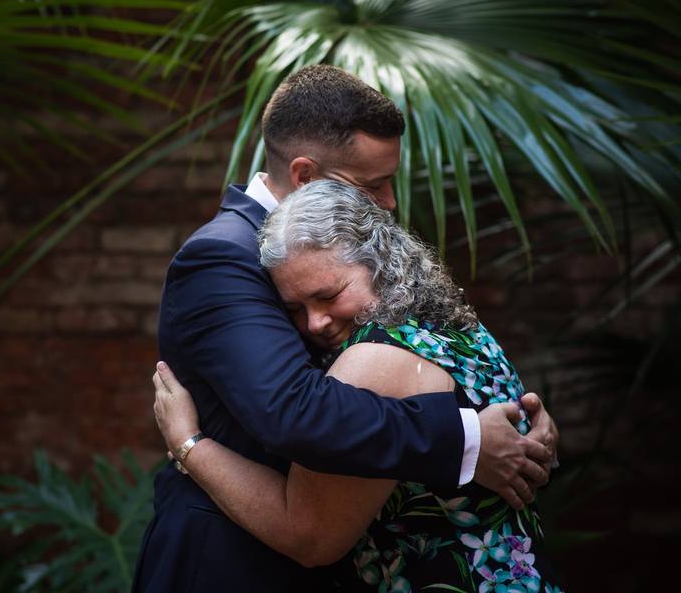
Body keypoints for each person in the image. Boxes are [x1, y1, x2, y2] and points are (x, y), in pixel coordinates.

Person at [131, 65, 557, 592]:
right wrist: (468, 438)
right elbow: (295, 410)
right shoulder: (223, 257)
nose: (390, 203)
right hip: (233, 564)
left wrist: (519, 422)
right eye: (372, 184)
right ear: (306, 177)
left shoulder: (359, 270)